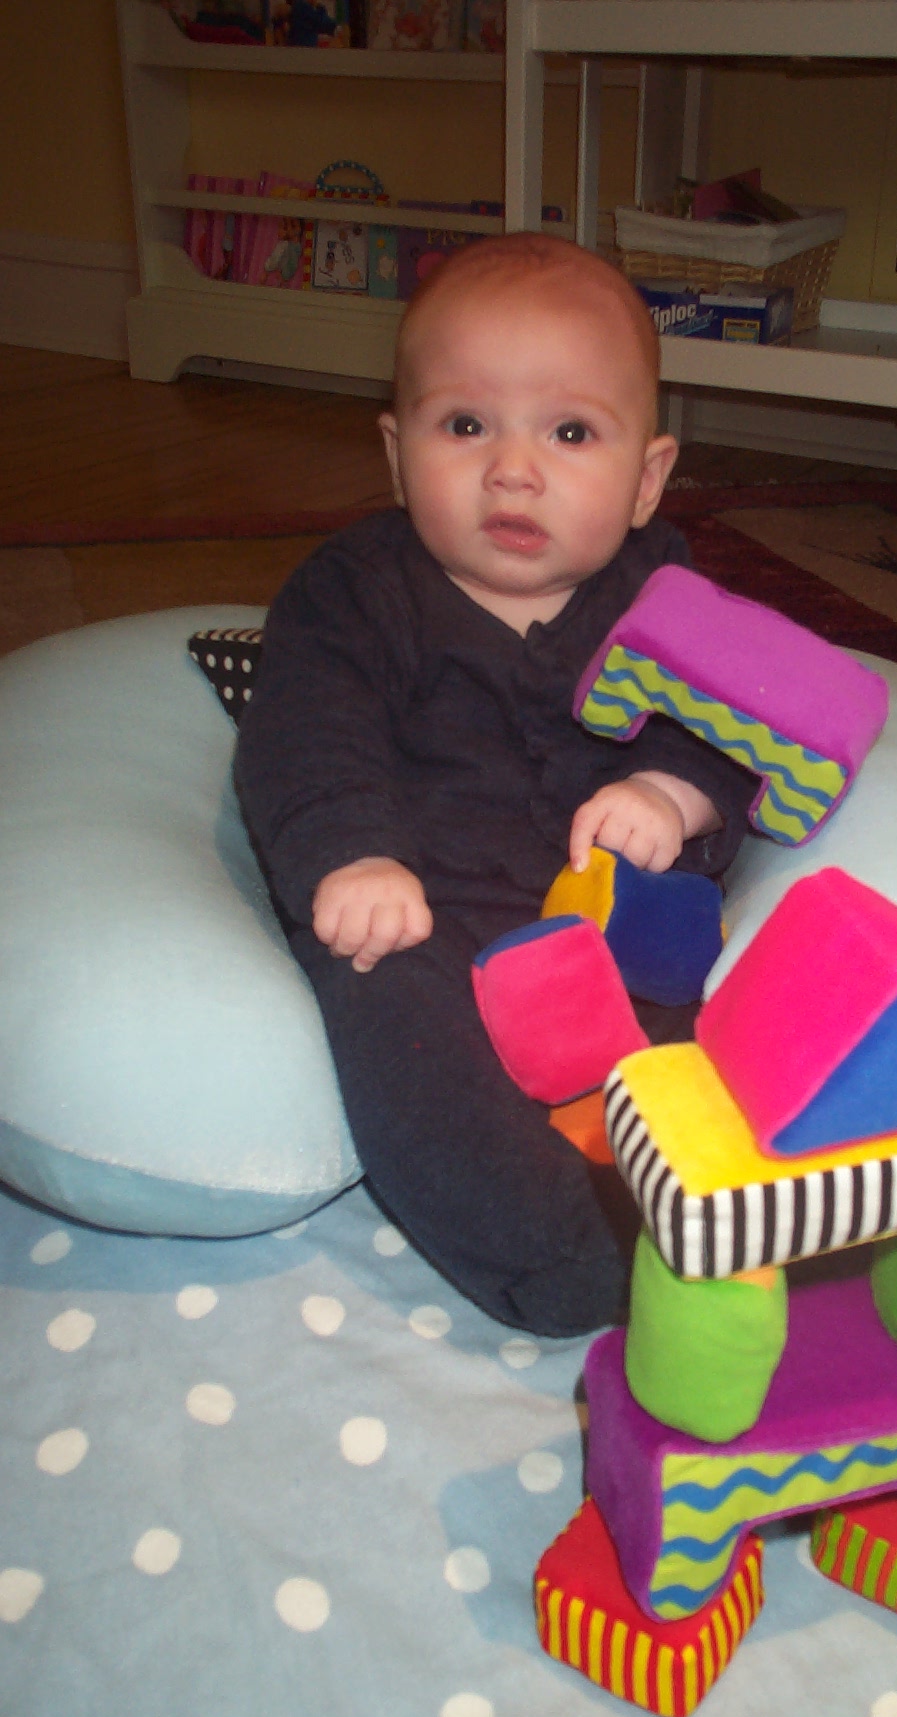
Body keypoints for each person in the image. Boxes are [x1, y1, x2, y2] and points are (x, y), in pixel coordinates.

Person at [234, 232, 756, 1335]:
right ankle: (547, 1247)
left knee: (718, 1026)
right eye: (465, 425)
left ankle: (729, 1207)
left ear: (648, 478)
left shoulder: (662, 591)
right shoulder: (351, 591)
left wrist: (672, 795)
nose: (513, 468)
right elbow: (304, 736)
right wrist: (351, 856)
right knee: (393, 1026)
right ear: (395, 452)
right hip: (428, 921)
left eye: (570, 432)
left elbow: (736, 727)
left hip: (614, 928)